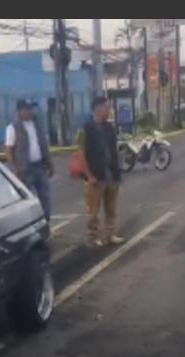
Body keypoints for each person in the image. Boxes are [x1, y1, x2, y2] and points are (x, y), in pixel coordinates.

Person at [81, 96, 123, 248]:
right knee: (93, 211)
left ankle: (110, 235)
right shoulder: (86, 129)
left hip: (111, 175)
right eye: (107, 107)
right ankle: (94, 237)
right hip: (95, 177)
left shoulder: (110, 128)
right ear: (98, 108)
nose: (109, 110)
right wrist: (89, 175)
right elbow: (81, 154)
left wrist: (118, 172)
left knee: (111, 209)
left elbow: (114, 150)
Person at [4, 98, 53, 221]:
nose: (30, 111)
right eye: (27, 109)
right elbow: (9, 150)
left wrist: (50, 164)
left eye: (31, 108)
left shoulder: (37, 125)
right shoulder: (13, 128)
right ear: (20, 111)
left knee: (45, 198)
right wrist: (15, 169)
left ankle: (46, 224)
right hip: (24, 170)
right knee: (26, 201)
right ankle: (30, 226)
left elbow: (44, 145)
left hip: (40, 166)